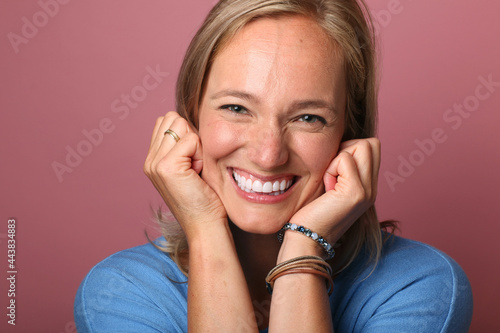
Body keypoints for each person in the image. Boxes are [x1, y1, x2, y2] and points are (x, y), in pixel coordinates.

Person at [74, 0, 473, 332]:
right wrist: (205, 229)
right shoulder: (121, 293)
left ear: (349, 135)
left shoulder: (419, 287)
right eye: (236, 108)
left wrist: (303, 248)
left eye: (308, 118)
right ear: (190, 116)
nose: (268, 155)